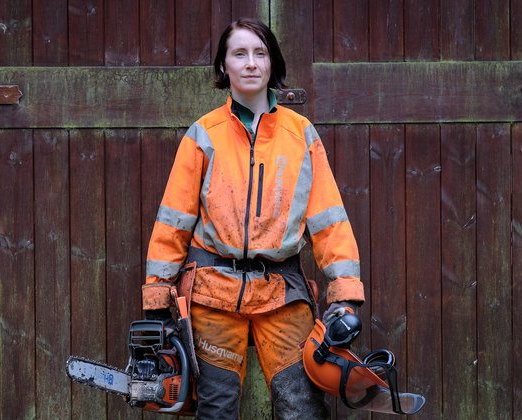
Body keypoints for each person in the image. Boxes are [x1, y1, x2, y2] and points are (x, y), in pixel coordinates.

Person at [141, 17, 364, 420]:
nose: (250, 63)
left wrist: (345, 295)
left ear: (272, 63)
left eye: (259, 53)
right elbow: (173, 222)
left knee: (303, 406)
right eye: (239, 53)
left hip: (282, 292)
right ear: (223, 67)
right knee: (217, 408)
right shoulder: (203, 134)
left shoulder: (302, 135)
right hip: (213, 293)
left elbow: (330, 221)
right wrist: (157, 298)